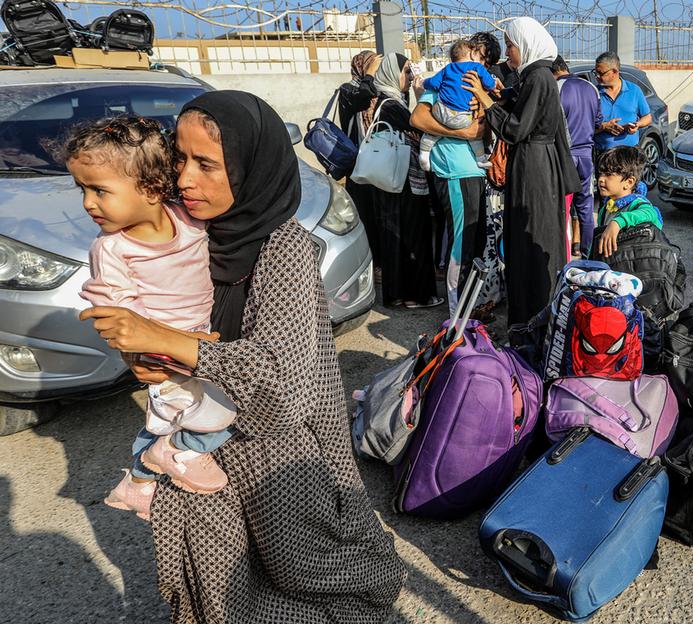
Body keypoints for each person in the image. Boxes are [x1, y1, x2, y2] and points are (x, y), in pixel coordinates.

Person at [79, 91, 406, 622]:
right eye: (178, 159)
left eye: (207, 163)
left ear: (251, 163)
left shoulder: (284, 249)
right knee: (217, 576)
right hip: (200, 441)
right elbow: (153, 308)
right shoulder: (192, 233)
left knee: (303, 572)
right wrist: (139, 351)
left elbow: (281, 384)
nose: (184, 179)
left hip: (277, 451)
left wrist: (161, 339)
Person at [65, 116, 235, 521]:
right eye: (84, 190)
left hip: (200, 344)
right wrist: (151, 350)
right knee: (221, 412)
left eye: (99, 190)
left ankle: (139, 482)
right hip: (166, 353)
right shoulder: (112, 250)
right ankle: (178, 454)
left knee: (179, 417)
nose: (88, 203)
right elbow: (121, 312)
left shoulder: (189, 220)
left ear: (152, 188)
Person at [464, 17, 580, 326]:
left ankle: (534, 319)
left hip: (535, 168)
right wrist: (502, 96)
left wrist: (484, 98)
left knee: (532, 236)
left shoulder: (539, 77)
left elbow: (515, 129)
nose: (508, 54)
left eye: (511, 46)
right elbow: (521, 109)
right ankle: (530, 318)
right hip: (534, 163)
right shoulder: (534, 77)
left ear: (526, 46)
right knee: (525, 238)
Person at [361, 53, 442, 308]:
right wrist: (422, 96)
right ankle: (416, 295)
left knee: (394, 235)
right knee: (413, 234)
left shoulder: (387, 101)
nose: (409, 77)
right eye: (406, 71)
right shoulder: (392, 105)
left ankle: (397, 294)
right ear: (391, 75)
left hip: (391, 180)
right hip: (405, 181)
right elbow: (423, 127)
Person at [411, 58, 489, 314]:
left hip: (475, 173)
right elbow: (419, 119)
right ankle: (458, 314)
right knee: (460, 244)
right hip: (455, 173)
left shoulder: (478, 88)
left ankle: (469, 309)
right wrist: (463, 133)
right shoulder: (442, 86)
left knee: (474, 243)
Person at [418, 39, 496, 171]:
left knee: (432, 132)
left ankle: (424, 152)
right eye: (481, 57)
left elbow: (433, 83)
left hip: (441, 112)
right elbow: (417, 119)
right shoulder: (477, 68)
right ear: (472, 53)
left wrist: (423, 82)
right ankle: (481, 158)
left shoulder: (447, 69)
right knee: (474, 135)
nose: (483, 63)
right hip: (454, 165)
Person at [338, 51, 385, 263]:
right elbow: (363, 100)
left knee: (380, 215)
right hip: (358, 163)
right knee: (365, 215)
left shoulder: (376, 89)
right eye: (372, 66)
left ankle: (382, 261)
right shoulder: (349, 90)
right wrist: (370, 75)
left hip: (377, 160)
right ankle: (371, 262)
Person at [552, 55, 600, 258]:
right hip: (587, 156)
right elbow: (598, 122)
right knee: (586, 208)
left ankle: (564, 259)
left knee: (562, 209)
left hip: (565, 157)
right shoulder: (591, 87)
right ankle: (587, 255)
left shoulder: (556, 88)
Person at [594, 146, 662, 258]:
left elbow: (651, 213)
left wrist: (618, 222)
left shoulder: (637, 204)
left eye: (608, 174)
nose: (601, 179)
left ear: (629, 182)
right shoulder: (606, 207)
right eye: (601, 173)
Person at [593, 52, 652, 153]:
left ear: (615, 72)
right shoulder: (593, 93)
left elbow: (647, 117)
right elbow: (585, 128)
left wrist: (637, 125)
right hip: (602, 155)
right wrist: (604, 127)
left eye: (601, 73)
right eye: (595, 73)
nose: (597, 77)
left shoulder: (634, 90)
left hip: (630, 154)